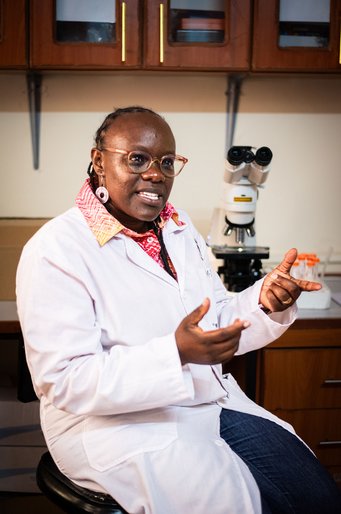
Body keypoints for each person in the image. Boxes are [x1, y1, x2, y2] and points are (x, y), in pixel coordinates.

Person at [16, 106, 340, 514]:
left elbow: (214, 315)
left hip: (207, 401)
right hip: (113, 424)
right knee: (233, 506)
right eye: (137, 158)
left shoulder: (177, 227)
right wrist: (176, 354)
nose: (156, 174)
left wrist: (263, 301)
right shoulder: (56, 250)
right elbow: (64, 381)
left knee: (317, 499)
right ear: (99, 160)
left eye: (167, 163)